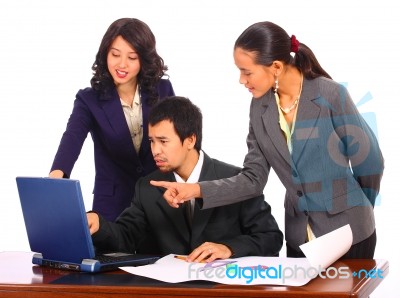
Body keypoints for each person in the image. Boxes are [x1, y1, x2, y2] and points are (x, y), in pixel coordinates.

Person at [151, 21, 384, 259]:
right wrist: (195, 190)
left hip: (349, 234)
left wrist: (358, 207)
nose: (241, 80)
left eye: (247, 71)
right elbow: (253, 179)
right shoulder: (259, 108)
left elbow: (370, 160)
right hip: (299, 236)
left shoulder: (331, 95)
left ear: (275, 67)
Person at [87, 96, 283, 262]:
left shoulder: (237, 180)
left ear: (190, 140)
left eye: (163, 141)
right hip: (168, 295)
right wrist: (99, 225)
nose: (155, 150)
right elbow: (126, 238)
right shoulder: (146, 187)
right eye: (152, 141)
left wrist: (228, 248)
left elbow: (270, 238)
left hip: (224, 295)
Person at [49, 18, 175, 221]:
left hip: (159, 198)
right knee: (110, 253)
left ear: (143, 59)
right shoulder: (89, 99)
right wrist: (56, 179)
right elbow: (72, 137)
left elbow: (176, 138)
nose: (122, 64)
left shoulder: (162, 90)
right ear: (105, 53)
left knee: (161, 254)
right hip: (112, 205)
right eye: (115, 54)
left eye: (132, 57)